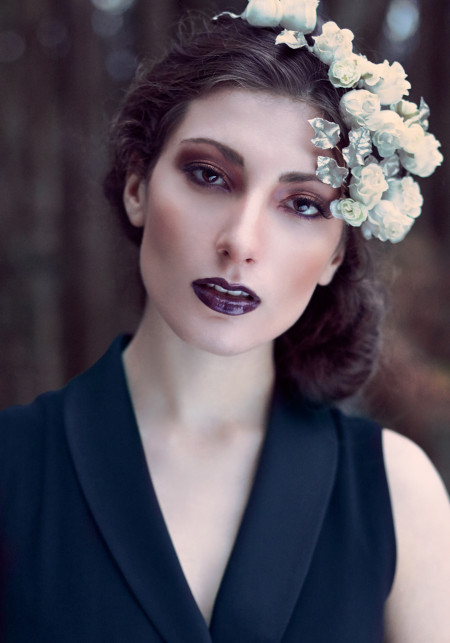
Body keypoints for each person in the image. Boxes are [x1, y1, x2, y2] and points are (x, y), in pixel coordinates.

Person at [1, 1, 449, 641]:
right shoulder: (13, 468)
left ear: (336, 255)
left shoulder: (396, 493)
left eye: (302, 204)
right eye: (209, 175)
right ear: (137, 187)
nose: (241, 240)